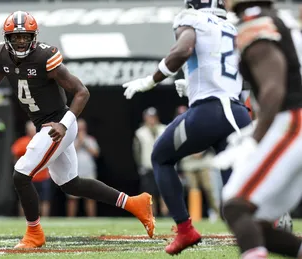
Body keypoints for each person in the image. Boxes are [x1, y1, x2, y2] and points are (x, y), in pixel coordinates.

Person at [0, 11, 154, 249]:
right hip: (46, 125)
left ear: (34, 37)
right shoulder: (1, 55)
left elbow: (82, 91)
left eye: (25, 37)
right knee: (71, 184)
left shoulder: (44, 57)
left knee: (21, 174)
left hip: (57, 125)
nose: (21, 42)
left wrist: (65, 124)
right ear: (7, 38)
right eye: (16, 37)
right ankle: (135, 203)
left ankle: (34, 233)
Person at [122, 0, 252, 255]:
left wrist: (151, 80)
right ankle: (266, 228)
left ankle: (185, 229)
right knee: (233, 196)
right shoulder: (234, 28)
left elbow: (183, 49)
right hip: (237, 112)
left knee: (161, 156)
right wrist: (193, 86)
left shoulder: (192, 19)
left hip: (209, 113)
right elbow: (238, 73)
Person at [214, 1, 302, 258]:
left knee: (235, 206)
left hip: (292, 122)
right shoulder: (276, 17)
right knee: (257, 222)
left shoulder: (255, 20)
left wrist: (255, 140)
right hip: (290, 121)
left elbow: (274, 88)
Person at [133, 107, 168, 217]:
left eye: (153, 117)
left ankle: (166, 214)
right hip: (148, 167)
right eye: (149, 117)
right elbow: (137, 151)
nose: (151, 119)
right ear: (145, 118)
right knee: (149, 193)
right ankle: (152, 215)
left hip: (162, 165)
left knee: (164, 191)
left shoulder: (164, 129)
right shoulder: (140, 132)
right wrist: (140, 165)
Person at [12, 121, 51, 217]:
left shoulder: (43, 139)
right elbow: (14, 156)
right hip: (28, 177)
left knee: (44, 200)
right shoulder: (22, 142)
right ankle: (24, 219)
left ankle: (45, 220)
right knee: (25, 199)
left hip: (43, 176)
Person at [67, 118, 100, 217]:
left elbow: (96, 153)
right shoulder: (70, 141)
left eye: (83, 128)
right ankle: (70, 220)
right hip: (74, 173)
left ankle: (91, 219)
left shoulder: (91, 139)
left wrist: (84, 143)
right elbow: (69, 154)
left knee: (90, 198)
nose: (81, 130)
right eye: (79, 128)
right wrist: (79, 142)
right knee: (72, 198)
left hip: (89, 172)